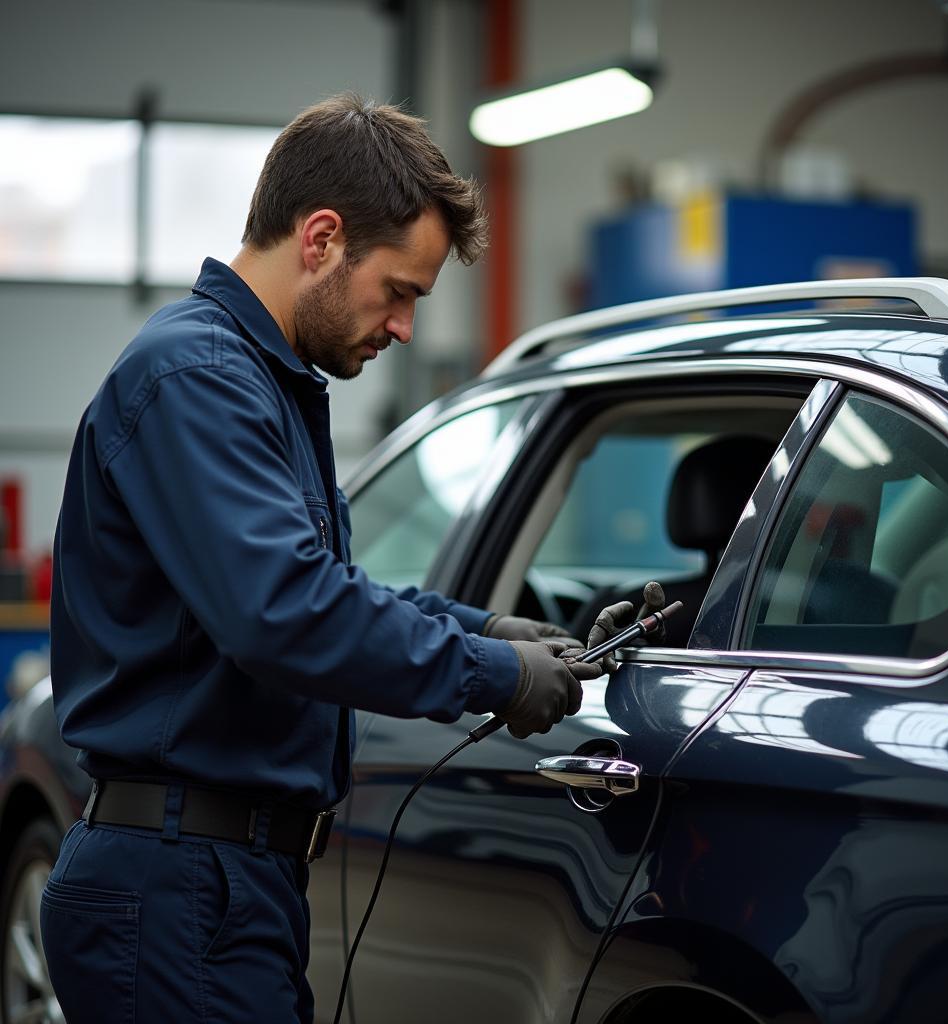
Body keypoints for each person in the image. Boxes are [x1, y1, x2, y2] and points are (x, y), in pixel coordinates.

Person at [41, 94, 610, 1024]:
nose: (403, 328)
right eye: (400, 291)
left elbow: (322, 590)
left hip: (222, 885)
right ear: (321, 239)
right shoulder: (199, 380)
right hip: (181, 888)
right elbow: (286, 613)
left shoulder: (255, 382)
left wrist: (484, 626)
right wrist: (492, 672)